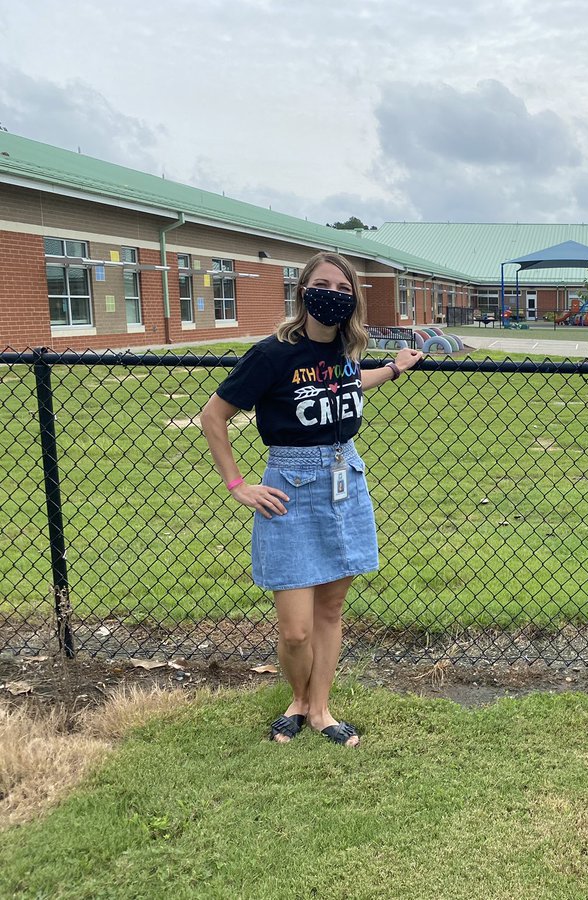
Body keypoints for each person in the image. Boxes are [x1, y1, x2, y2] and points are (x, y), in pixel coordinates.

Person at [200, 251, 423, 746]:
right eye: (324, 285)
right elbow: (213, 416)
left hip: (344, 481)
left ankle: (318, 708)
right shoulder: (273, 354)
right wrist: (238, 486)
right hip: (289, 488)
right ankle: (297, 697)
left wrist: (394, 368)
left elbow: (346, 383)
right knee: (295, 629)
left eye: (344, 290)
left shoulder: (348, 347)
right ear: (303, 290)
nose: (334, 295)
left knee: (331, 610)